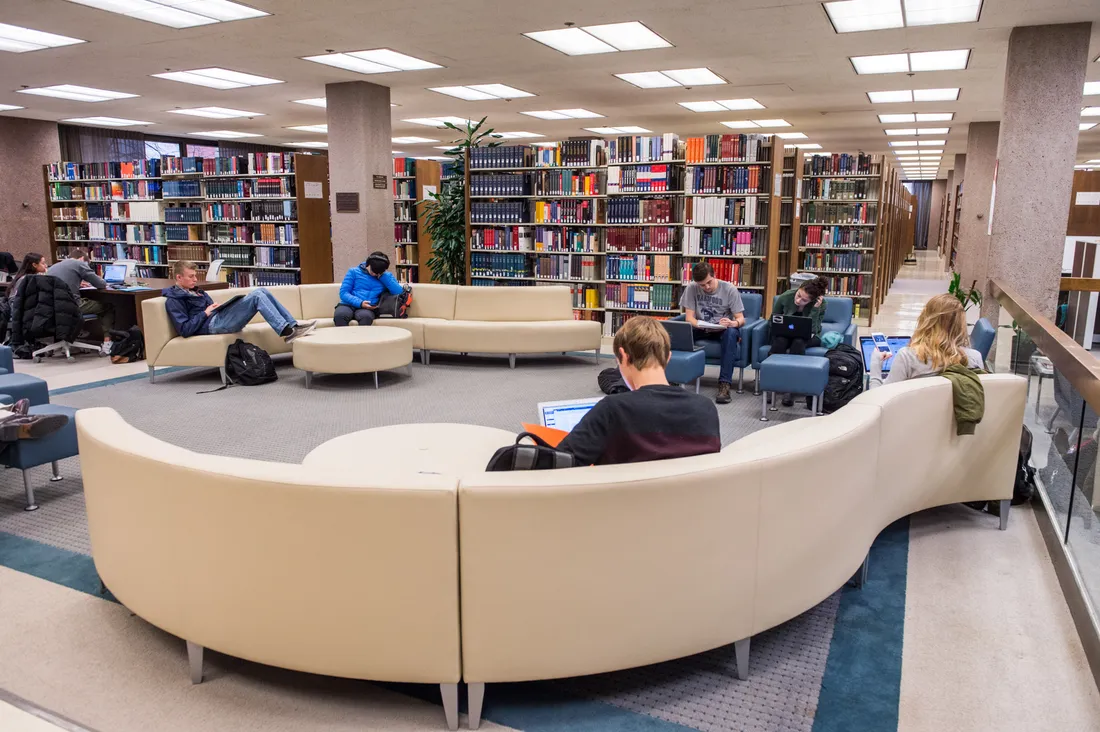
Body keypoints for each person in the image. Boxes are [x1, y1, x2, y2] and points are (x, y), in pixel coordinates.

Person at [556, 316, 721, 466]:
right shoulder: (706, 409)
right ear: (668, 357)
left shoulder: (613, 410)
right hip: (688, 498)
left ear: (624, 356)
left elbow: (559, 464)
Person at [163, 261, 315, 341]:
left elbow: (210, 308)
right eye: (191, 276)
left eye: (195, 276)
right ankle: (286, 331)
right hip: (212, 326)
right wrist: (205, 313)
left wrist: (218, 307)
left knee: (262, 291)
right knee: (256, 296)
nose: (195, 280)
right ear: (178, 277)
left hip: (218, 318)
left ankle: (293, 325)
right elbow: (184, 329)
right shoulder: (174, 300)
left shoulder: (196, 291)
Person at [871, 293, 984, 387]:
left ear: (926, 320)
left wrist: (876, 366)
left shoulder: (908, 357)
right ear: (961, 324)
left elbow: (878, 401)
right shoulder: (974, 359)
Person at [679, 262, 745, 405]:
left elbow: (741, 319)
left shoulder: (729, 289)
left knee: (732, 333)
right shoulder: (691, 288)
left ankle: (724, 385)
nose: (706, 287)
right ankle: (674, 378)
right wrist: (701, 325)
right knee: (678, 333)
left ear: (714, 275)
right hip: (701, 326)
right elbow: (689, 318)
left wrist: (734, 323)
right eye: (702, 285)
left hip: (722, 329)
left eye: (709, 282)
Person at [770, 275, 829, 407]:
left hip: (809, 337)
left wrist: (815, 310)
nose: (798, 300)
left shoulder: (821, 304)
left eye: (804, 300)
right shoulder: (786, 296)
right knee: (780, 341)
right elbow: (773, 320)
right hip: (785, 334)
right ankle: (772, 384)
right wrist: (776, 332)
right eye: (798, 295)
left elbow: (814, 329)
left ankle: (790, 388)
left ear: (812, 300)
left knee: (798, 342)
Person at [45, 249, 114, 354]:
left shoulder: (53, 267)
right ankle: (107, 342)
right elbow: (100, 284)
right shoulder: (78, 264)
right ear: (82, 259)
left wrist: (78, 282)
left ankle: (68, 340)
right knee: (107, 307)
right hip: (72, 305)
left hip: (52, 307)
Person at [335, 251, 405, 327]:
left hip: (368, 308)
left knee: (366, 317)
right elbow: (343, 293)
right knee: (340, 316)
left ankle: (362, 339)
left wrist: (383, 277)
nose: (375, 274)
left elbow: (399, 292)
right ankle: (345, 338)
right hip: (348, 304)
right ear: (368, 264)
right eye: (373, 271)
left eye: (378, 273)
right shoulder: (353, 272)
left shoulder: (385, 276)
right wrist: (360, 303)